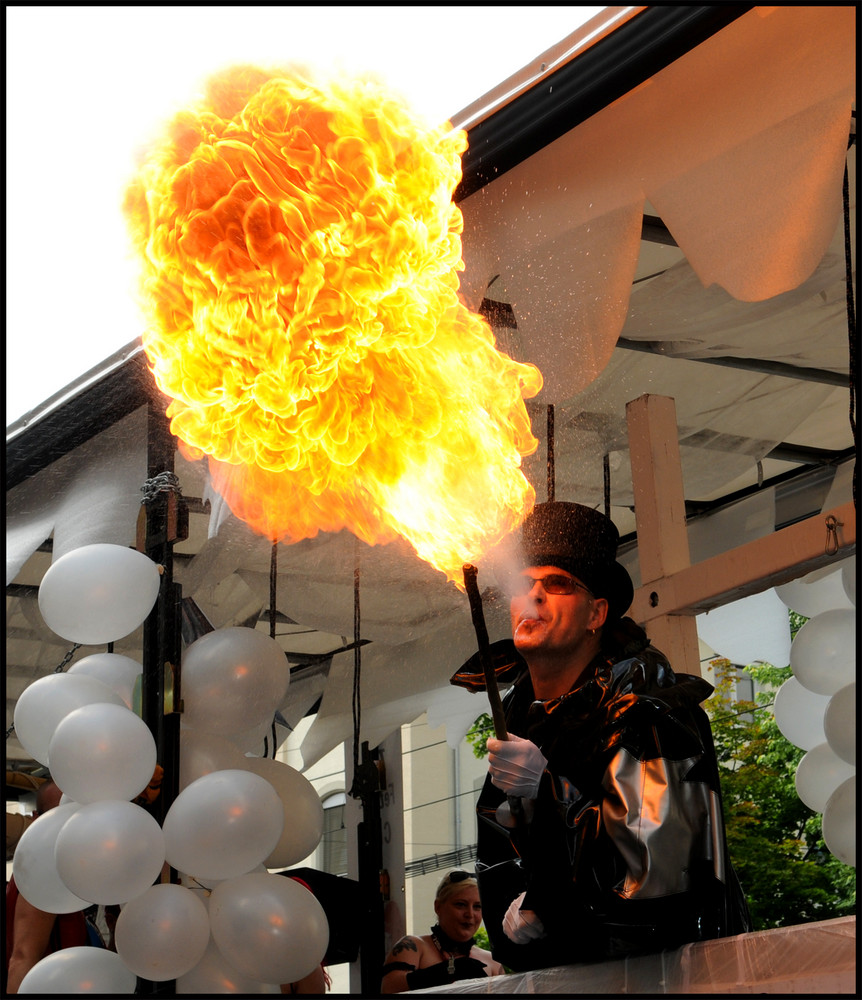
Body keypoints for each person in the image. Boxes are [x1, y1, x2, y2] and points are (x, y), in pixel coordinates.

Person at [452, 501, 751, 972]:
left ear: (597, 613)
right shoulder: (519, 718)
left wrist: (549, 790)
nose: (533, 597)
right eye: (523, 584)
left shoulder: (648, 707)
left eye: (557, 585)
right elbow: (502, 858)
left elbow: (653, 871)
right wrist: (519, 909)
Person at [5, 779, 100, 993]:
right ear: (36, 820)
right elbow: (21, 958)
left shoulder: (67, 869)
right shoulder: (45, 870)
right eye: (61, 816)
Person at [381, 870, 504, 993]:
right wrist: (448, 971)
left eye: (477, 906)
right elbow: (389, 988)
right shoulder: (414, 947)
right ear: (438, 907)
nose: (470, 914)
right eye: (460, 904)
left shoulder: (493, 962)